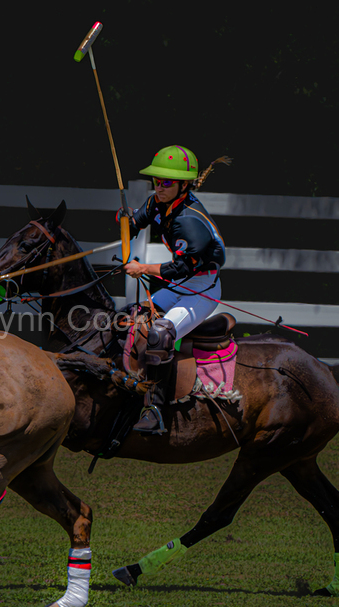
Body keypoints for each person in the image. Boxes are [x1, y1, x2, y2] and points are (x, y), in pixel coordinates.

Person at [120, 145, 226, 433]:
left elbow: (182, 267)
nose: (159, 186)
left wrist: (142, 268)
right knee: (129, 317)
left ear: (184, 185)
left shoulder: (189, 221)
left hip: (202, 288)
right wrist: (125, 220)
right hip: (179, 284)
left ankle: (154, 411)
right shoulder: (158, 202)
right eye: (157, 180)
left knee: (160, 334)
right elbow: (137, 222)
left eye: (167, 182)